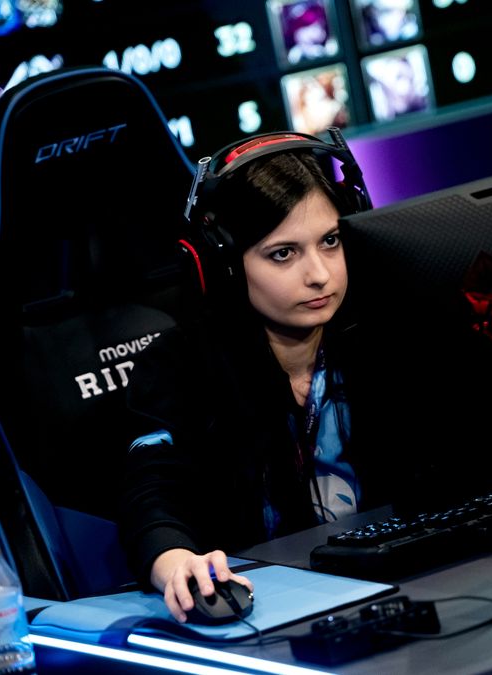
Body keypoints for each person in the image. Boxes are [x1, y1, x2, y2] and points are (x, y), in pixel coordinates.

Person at [119, 131, 384, 621]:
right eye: (283, 253)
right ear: (225, 264)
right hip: (271, 613)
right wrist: (175, 560)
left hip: (396, 582)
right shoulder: (181, 365)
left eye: (330, 241)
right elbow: (152, 494)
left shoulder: (386, 336)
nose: (320, 275)